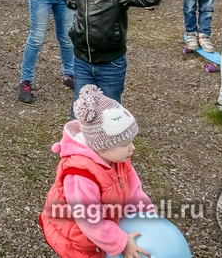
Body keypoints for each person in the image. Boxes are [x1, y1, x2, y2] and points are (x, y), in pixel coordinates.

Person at [40, 85, 154, 258]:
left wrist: (148, 217)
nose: (133, 148)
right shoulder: (81, 175)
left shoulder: (120, 160)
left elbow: (134, 191)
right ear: (101, 146)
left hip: (101, 231)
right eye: (124, 144)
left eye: (131, 141)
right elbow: (90, 222)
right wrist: (121, 243)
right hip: (78, 239)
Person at [56, 0, 161, 104]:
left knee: (110, 109)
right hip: (82, 61)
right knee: (82, 106)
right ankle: (80, 131)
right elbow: (71, 1)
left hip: (111, 63)